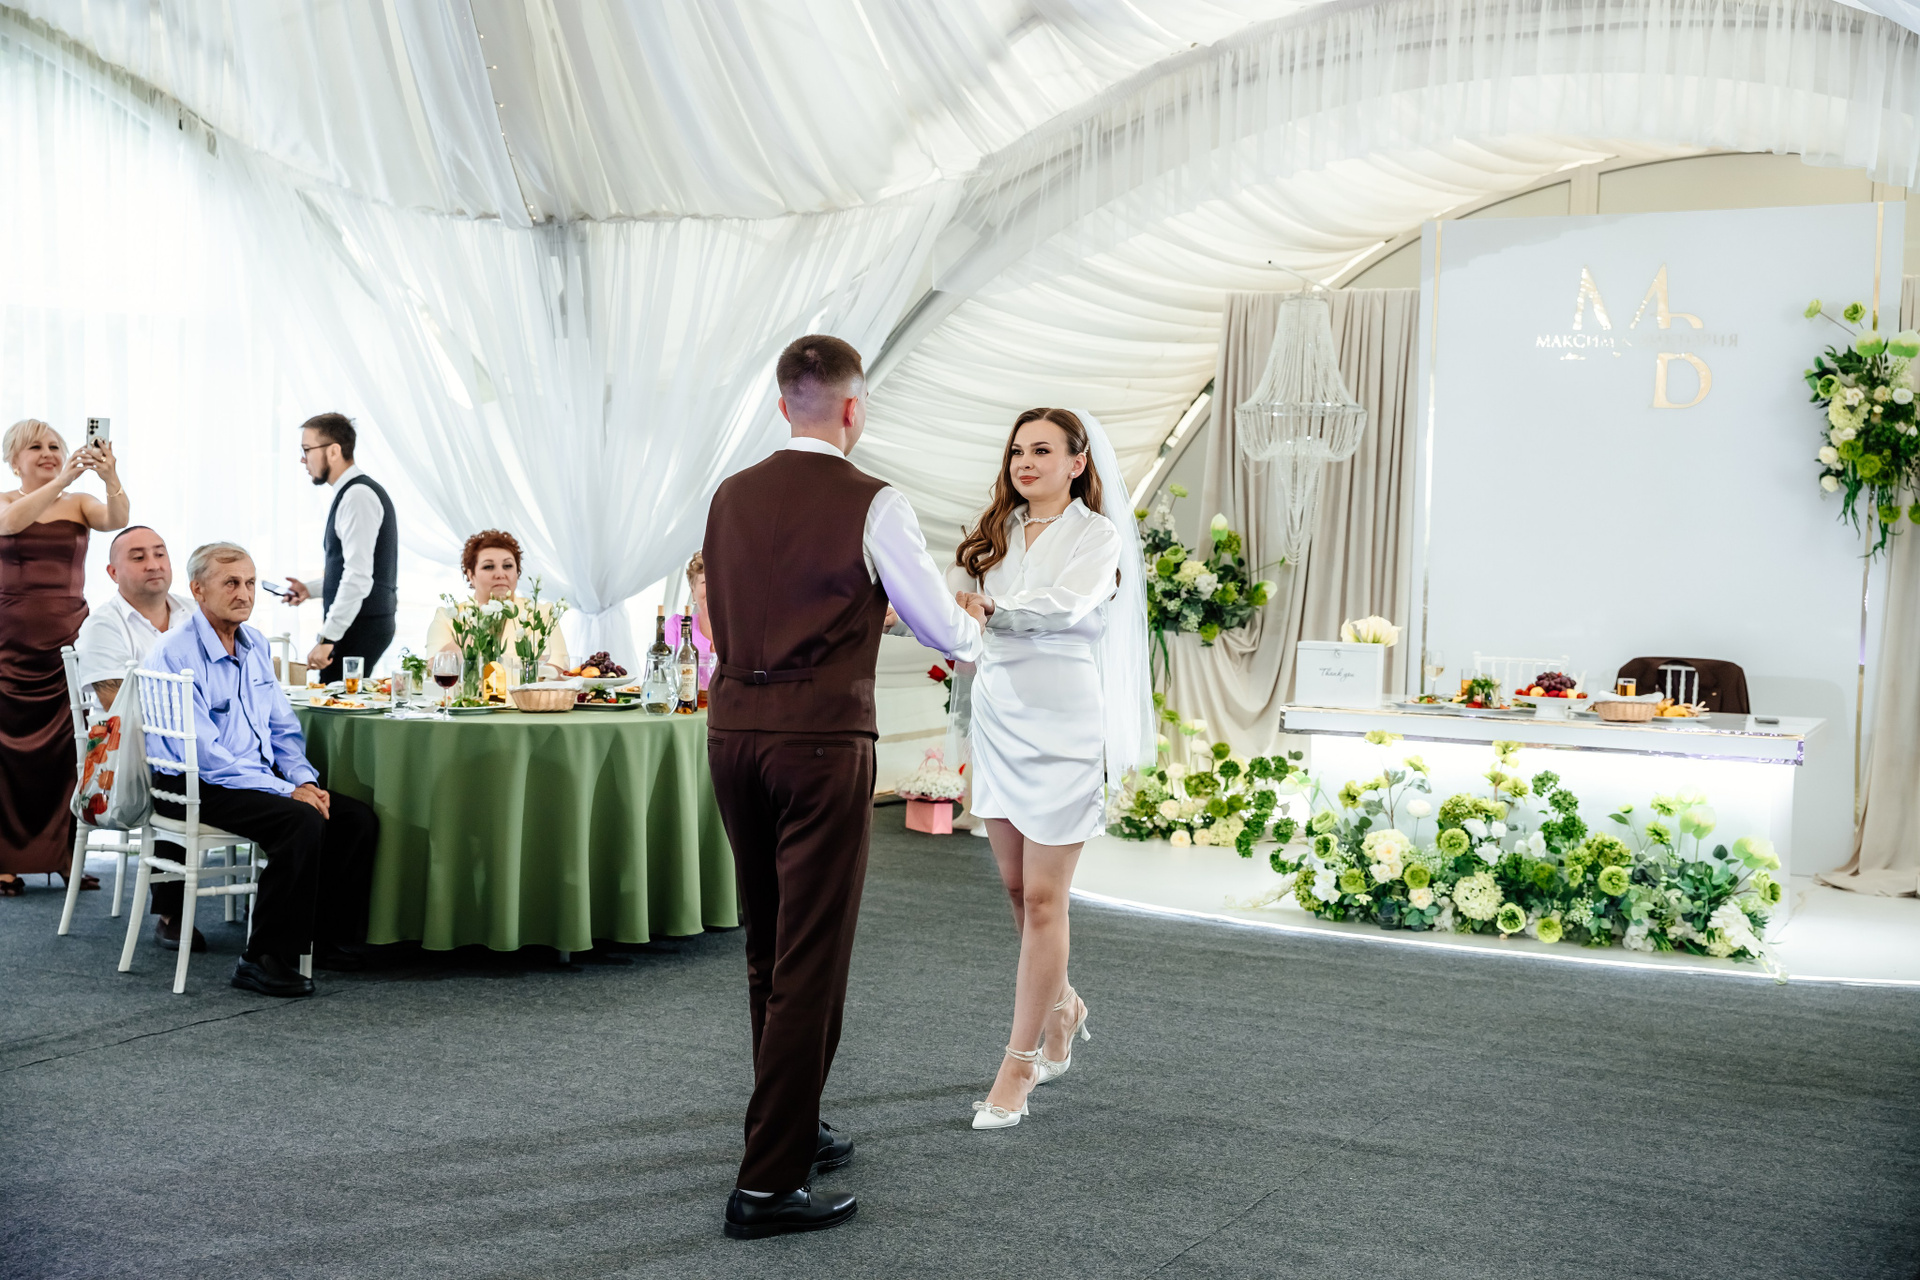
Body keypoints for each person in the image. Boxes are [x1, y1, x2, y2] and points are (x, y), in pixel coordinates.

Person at [703, 335, 984, 1239]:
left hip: (733, 735)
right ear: (854, 408)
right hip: (820, 742)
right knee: (811, 957)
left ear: (784, 403)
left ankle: (793, 1123)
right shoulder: (875, 500)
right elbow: (938, 625)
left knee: (768, 945)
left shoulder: (729, 494)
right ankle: (767, 1185)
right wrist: (973, 627)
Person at [948, 407, 1152, 1130]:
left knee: (1043, 899)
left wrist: (988, 606)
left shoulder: (1097, 536)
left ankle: (1019, 1063)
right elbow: (957, 622)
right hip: (999, 721)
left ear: (1077, 462)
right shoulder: (990, 536)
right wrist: (910, 616)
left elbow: (1065, 607)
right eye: (1016, 451)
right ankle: (1063, 1005)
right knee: (1015, 887)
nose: (1025, 462)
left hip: (1065, 726)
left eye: (1041, 450)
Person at [147, 542, 379, 997]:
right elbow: (207, 756)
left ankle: (325, 939)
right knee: (300, 820)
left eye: (250, 583)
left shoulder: (253, 644)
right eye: (231, 583)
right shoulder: (174, 652)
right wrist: (283, 791)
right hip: (192, 781)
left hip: (249, 777)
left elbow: (283, 729)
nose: (245, 593)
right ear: (198, 589)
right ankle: (261, 957)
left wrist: (303, 779)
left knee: (356, 819)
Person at [0, 419, 129, 897]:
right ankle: (6, 859)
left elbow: (117, 519)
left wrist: (109, 476)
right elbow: (11, 524)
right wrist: (64, 479)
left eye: (55, 445)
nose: (49, 453)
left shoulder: (79, 502)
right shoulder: (6, 502)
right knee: (8, 752)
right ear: (14, 460)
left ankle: (63, 857)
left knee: (69, 750)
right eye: (36, 447)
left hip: (69, 640)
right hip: (10, 640)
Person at [73, 525, 196, 946]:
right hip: (129, 752)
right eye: (139, 557)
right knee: (179, 773)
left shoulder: (195, 614)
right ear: (113, 572)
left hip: (198, 740)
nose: (153, 564)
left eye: (160, 553)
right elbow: (120, 704)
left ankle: (274, 894)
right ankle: (171, 910)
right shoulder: (102, 625)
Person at [284, 413, 398, 684]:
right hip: (360, 623)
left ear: (334, 451)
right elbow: (354, 571)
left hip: (360, 627)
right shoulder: (353, 493)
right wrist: (310, 589)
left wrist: (327, 638)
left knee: (334, 702)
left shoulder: (357, 496)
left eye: (307, 450)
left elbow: (358, 577)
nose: (303, 459)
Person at [424, 529, 570, 676]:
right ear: (471, 575)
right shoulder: (447, 617)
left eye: (508, 566)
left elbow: (558, 671)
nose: (500, 574)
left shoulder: (542, 614)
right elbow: (434, 671)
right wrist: (477, 628)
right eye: (488, 567)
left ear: (517, 572)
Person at [664, 552, 713, 688]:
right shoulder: (675, 628)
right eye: (705, 582)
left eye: (719, 582)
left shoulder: (743, 632)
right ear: (693, 592)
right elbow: (662, 678)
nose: (713, 588)